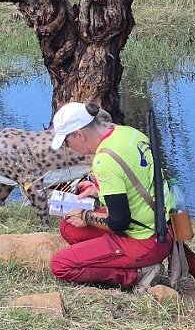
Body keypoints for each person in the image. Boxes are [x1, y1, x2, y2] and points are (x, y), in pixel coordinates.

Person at [48, 101, 173, 292]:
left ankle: (139, 272)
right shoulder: (129, 133)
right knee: (69, 228)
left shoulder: (104, 159)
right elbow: (138, 180)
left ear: (79, 135)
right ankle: (118, 260)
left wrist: (85, 216)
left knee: (61, 265)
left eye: (66, 142)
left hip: (145, 240)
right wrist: (98, 190)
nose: (68, 147)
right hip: (163, 227)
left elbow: (119, 223)